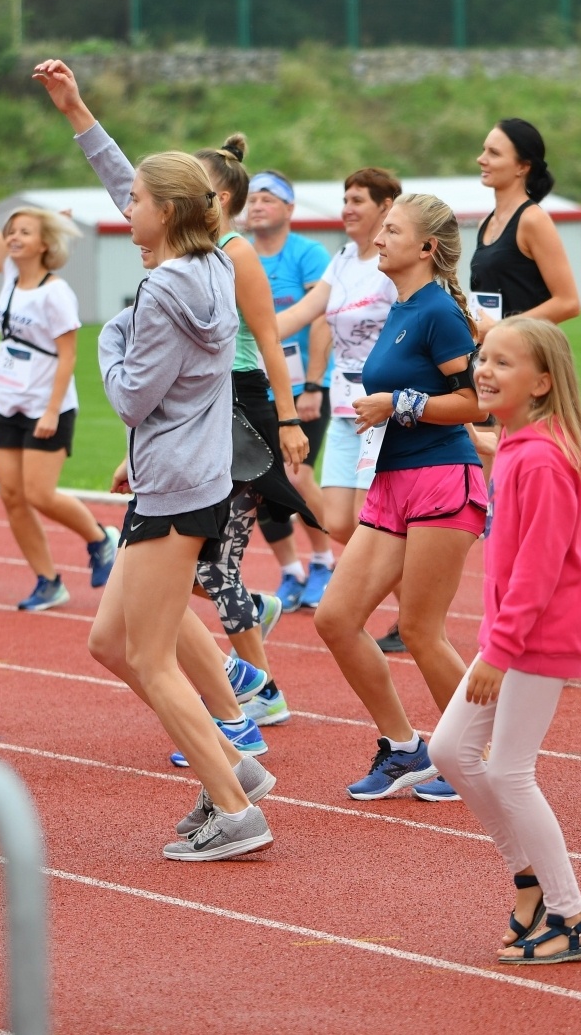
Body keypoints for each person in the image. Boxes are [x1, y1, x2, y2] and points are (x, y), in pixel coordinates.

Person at [37, 57, 277, 861]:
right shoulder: (209, 259)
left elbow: (133, 397)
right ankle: (230, 764)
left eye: (137, 202)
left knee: (147, 652)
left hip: (175, 484)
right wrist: (78, 113)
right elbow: (130, 184)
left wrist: (110, 336)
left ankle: (236, 808)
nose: (124, 208)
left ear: (167, 213)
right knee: (112, 642)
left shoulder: (165, 289)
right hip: (186, 474)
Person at [430, 316, 581, 965]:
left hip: (536, 638)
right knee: (449, 749)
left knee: (510, 770)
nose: (483, 369)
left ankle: (571, 914)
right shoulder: (518, 443)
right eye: (484, 357)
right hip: (512, 634)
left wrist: (499, 651)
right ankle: (529, 878)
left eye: (502, 363)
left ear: (541, 383)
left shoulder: (540, 459)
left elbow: (538, 570)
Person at [313, 192, 486, 803]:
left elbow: (476, 403)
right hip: (392, 482)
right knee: (336, 619)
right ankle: (406, 745)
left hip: (442, 478)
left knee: (419, 629)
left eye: (392, 230)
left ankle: (475, 759)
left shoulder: (438, 312)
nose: (379, 238)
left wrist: (398, 404)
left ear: (427, 247)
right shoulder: (402, 306)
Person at [0, 131, 120, 610]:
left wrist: (50, 411)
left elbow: (69, 355)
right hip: (7, 400)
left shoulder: (56, 293)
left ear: (45, 243)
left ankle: (101, 538)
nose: (13, 236)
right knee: (11, 494)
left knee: (40, 493)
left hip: (48, 406)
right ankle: (48, 579)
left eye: (24, 232)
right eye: (12, 231)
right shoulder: (9, 274)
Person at [188, 132, 316, 732]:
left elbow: (268, 340)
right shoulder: (191, 251)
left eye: (190, 186)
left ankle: (262, 693)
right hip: (203, 412)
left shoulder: (236, 253)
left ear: (218, 198)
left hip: (244, 413)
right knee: (194, 570)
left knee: (214, 570)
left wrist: (289, 420)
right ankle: (257, 607)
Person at [276, 168, 402, 545]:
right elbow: (304, 311)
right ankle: (394, 574)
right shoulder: (344, 257)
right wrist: (247, 336)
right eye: (345, 200)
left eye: (357, 201)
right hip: (345, 406)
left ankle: (403, 580)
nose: (347, 208)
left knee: (370, 523)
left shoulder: (393, 263)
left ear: (386, 207)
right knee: (338, 522)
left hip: (381, 407)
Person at [247, 170, 336, 612]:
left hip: (303, 388)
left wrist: (314, 385)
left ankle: (323, 560)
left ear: (289, 208)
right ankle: (290, 571)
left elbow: (322, 319)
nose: (257, 205)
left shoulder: (308, 254)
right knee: (258, 480)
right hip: (254, 387)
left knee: (297, 476)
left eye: (268, 198)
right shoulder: (238, 254)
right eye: (252, 199)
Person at [469, 118, 581, 326]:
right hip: (488, 345)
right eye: (484, 150)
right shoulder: (485, 223)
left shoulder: (533, 220)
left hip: (525, 345)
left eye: (494, 153)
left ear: (522, 166)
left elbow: (568, 303)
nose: (481, 159)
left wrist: (500, 328)